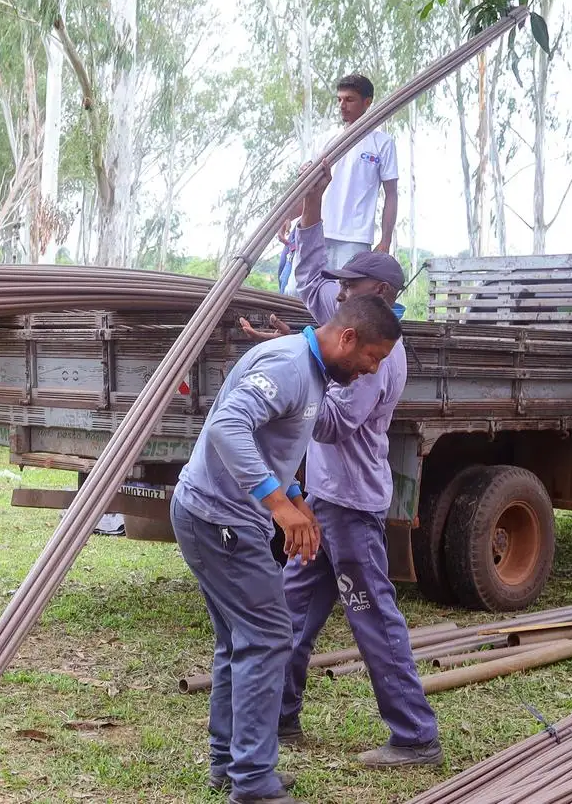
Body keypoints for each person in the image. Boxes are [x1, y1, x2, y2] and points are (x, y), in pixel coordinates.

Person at [242, 164, 442, 767]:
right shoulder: (355, 322)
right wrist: (312, 205)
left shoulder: (380, 355)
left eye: (353, 285)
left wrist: (301, 373)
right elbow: (311, 283)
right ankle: (281, 717)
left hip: (352, 506)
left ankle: (414, 736)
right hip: (324, 501)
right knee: (290, 610)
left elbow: (335, 419)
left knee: (373, 616)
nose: (342, 292)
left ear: (379, 296)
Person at [173, 289, 402, 804]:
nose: (372, 370)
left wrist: (298, 498)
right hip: (219, 518)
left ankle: (229, 764)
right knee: (269, 636)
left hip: (215, 512)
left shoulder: (313, 372)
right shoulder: (289, 366)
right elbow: (228, 429)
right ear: (347, 337)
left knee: (240, 639)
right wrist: (278, 506)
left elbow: (273, 439)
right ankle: (253, 781)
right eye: (372, 357)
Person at [313, 74, 398, 268]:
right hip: (318, 232)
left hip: (356, 238)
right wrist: (288, 218)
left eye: (349, 99)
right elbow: (311, 188)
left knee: (347, 294)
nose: (342, 105)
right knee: (298, 293)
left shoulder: (382, 143)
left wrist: (386, 240)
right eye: (339, 99)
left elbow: (391, 194)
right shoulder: (325, 141)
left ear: (367, 102)